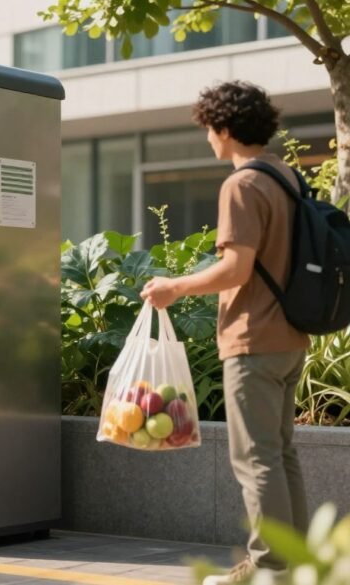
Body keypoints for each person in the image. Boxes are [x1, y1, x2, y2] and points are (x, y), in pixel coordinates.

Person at [140, 81, 310, 585]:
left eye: (210, 130)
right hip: (291, 336)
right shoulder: (287, 177)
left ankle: (269, 568)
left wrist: (175, 286)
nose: (208, 140)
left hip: (253, 338)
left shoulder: (241, 185)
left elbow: (235, 269)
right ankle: (296, 561)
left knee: (256, 458)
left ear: (226, 128)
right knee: (281, 454)